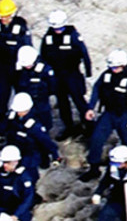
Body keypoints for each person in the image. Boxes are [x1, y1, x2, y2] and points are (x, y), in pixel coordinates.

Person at [83, 50, 127, 178]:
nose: (114, 69)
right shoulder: (106, 75)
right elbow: (97, 89)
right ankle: (94, 168)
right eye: (112, 67)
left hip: (126, 115)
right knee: (96, 138)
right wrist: (91, 107)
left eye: (116, 67)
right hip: (109, 113)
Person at [38, 8, 91, 136]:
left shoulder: (73, 36)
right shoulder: (48, 37)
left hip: (72, 73)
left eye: (60, 28)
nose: (57, 31)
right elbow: (43, 56)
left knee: (79, 100)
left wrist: (88, 70)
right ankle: (69, 127)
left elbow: (84, 53)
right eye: (55, 28)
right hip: (57, 76)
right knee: (62, 102)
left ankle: (89, 126)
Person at [0, 92, 59, 181]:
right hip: (14, 150)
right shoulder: (13, 115)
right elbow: (4, 125)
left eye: (21, 111)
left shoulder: (34, 125)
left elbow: (45, 141)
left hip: (29, 154)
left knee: (29, 177)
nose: (18, 113)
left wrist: (55, 155)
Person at [0, 0, 31, 118]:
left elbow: (28, 47)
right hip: (3, 65)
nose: (3, 19)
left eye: (6, 16)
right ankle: (1, 117)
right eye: (2, 16)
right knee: (3, 93)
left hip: (18, 67)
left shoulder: (21, 27)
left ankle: (24, 116)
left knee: (21, 92)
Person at [12, 45, 56, 133]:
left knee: (44, 118)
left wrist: (45, 94)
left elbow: (52, 85)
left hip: (40, 99)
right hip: (25, 99)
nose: (27, 66)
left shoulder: (45, 70)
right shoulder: (20, 69)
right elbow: (15, 82)